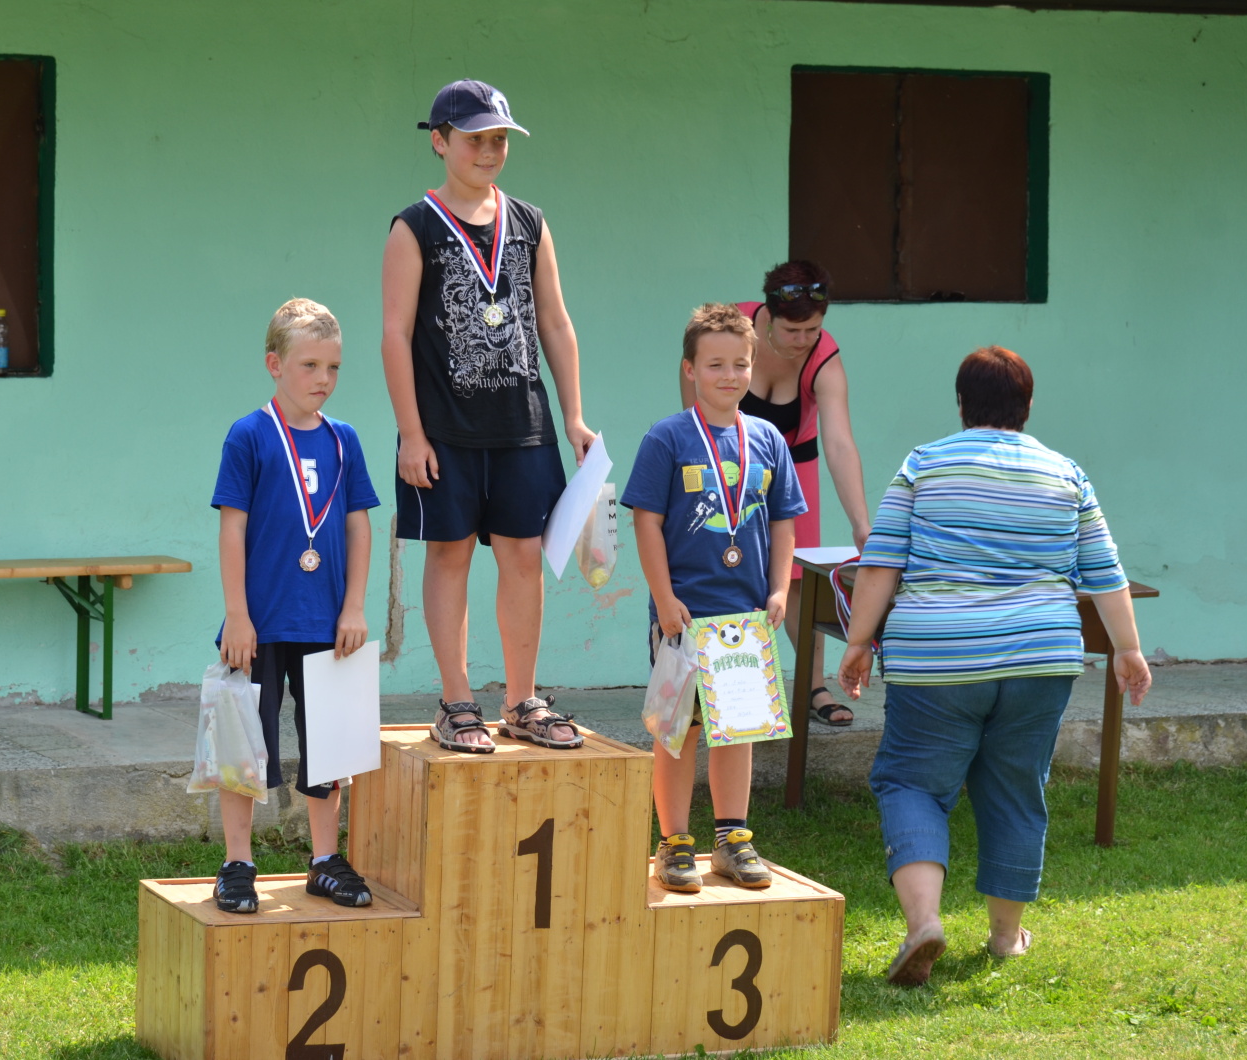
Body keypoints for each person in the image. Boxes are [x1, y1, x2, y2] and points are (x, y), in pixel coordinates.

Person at [834, 346, 1153, 985]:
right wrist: (1127, 648)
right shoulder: (1066, 474)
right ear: (1028, 405)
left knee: (912, 783)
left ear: (961, 404)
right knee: (1015, 789)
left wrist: (858, 640)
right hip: (1041, 658)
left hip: (938, 659)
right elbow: (1104, 571)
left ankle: (924, 922)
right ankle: (1006, 939)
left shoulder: (924, 465)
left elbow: (881, 563)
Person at [381, 79, 595, 753]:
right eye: (474, 138)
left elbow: (555, 322)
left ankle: (521, 700)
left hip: (523, 425)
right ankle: (456, 702)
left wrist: (574, 417)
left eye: (499, 138)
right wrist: (411, 434)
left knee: (523, 555)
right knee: (449, 555)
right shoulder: (414, 226)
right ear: (440, 141)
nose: (489, 150)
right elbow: (395, 334)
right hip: (443, 430)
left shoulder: (530, 222)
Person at [624, 304, 804, 891]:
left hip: (745, 619)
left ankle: (732, 840)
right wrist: (663, 597)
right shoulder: (668, 438)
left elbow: (784, 522)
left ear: (753, 366)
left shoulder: (768, 439)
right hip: (682, 616)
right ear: (690, 369)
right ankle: (674, 843)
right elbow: (646, 522)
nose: (729, 376)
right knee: (678, 730)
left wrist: (779, 588)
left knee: (739, 727)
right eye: (715, 364)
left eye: (740, 364)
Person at [210, 298, 380, 914]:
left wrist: (354, 606)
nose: (323, 379)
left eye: (333, 367)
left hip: (329, 623)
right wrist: (237, 614)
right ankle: (237, 864)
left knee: (330, 746)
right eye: (310, 365)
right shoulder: (249, 435)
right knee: (242, 743)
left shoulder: (344, 440)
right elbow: (232, 528)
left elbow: (358, 526)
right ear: (274, 365)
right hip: (258, 625)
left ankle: (324, 861)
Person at [682, 261, 868, 726]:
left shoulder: (824, 357)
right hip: (723, 460)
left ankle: (813, 686)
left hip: (792, 465)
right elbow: (693, 408)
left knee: (798, 578)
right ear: (767, 316)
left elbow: (840, 444)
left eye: (813, 329)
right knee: (720, 563)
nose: (803, 339)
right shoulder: (730, 331)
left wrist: (862, 525)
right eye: (792, 330)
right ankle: (709, 681)